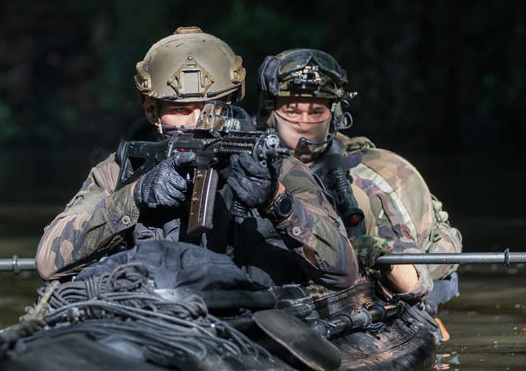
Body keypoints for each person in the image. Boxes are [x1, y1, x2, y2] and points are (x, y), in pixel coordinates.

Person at [35, 28, 359, 290]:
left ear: (231, 103)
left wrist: (277, 202)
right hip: (156, 321)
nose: (197, 122)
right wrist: (134, 197)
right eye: (180, 109)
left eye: (211, 108)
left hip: (256, 329)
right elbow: (49, 262)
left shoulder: (275, 167)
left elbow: (343, 271)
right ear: (152, 111)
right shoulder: (119, 170)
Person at [257, 48, 463, 312]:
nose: (303, 122)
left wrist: (377, 256)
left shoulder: (369, 181)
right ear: (272, 112)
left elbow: (413, 282)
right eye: (292, 110)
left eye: (316, 111)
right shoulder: (246, 161)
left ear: (334, 114)